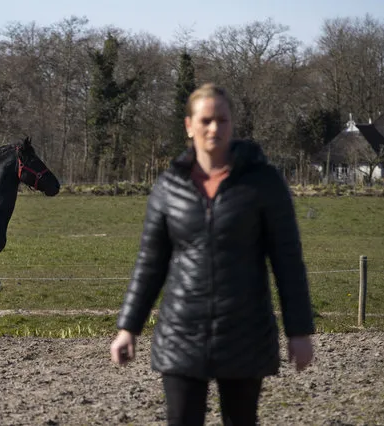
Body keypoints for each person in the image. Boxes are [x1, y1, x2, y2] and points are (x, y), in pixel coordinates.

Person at [110, 83, 315, 426]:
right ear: (189, 125)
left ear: (232, 124)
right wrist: (127, 327)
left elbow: (287, 260)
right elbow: (150, 263)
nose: (214, 128)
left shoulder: (263, 183)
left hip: (245, 333)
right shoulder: (169, 187)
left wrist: (299, 331)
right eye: (206, 120)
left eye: (222, 119)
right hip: (180, 334)